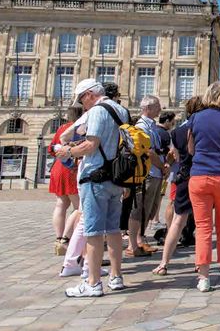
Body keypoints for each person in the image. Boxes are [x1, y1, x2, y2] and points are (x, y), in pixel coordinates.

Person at [55, 79, 128, 298]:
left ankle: (93, 282)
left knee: (93, 231)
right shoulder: (121, 110)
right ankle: (116, 277)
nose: (81, 105)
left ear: (89, 94)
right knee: (113, 230)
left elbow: (91, 145)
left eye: (81, 100)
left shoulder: (97, 111)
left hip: (96, 176)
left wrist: (68, 151)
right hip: (117, 176)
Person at [188, 81, 220, 292]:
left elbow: (190, 149)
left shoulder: (195, 118)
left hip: (199, 175)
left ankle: (203, 278)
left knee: (203, 227)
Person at [153, 97, 202, 276]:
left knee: (177, 221)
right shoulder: (204, 129)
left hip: (184, 176)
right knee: (203, 223)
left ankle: (163, 263)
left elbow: (176, 156)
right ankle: (200, 263)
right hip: (202, 175)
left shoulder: (177, 132)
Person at [126, 96, 167, 257]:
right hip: (148, 173)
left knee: (150, 208)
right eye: (157, 106)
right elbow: (148, 151)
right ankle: (136, 242)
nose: (160, 109)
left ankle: (140, 239)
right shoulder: (142, 126)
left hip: (155, 171)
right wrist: (161, 166)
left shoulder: (152, 126)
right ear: (147, 108)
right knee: (141, 208)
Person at [49, 105, 83, 254]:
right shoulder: (80, 128)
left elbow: (51, 149)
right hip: (72, 168)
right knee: (79, 207)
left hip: (58, 167)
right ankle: (66, 239)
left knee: (61, 204)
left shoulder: (62, 127)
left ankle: (58, 238)